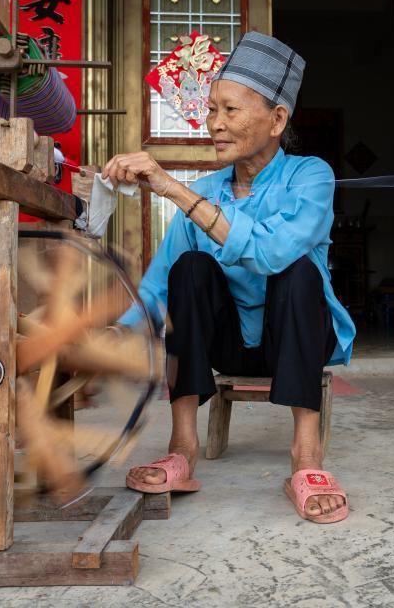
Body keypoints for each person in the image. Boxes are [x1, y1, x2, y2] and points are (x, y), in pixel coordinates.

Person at [103, 32, 355, 523]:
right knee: (189, 270)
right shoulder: (207, 190)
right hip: (230, 342)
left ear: (277, 120)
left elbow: (270, 253)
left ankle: (306, 459)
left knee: (298, 272)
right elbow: (158, 287)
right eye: (212, 109)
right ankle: (181, 450)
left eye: (231, 111)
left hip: (296, 337)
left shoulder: (311, 176)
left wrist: (171, 189)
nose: (214, 124)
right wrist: (112, 337)